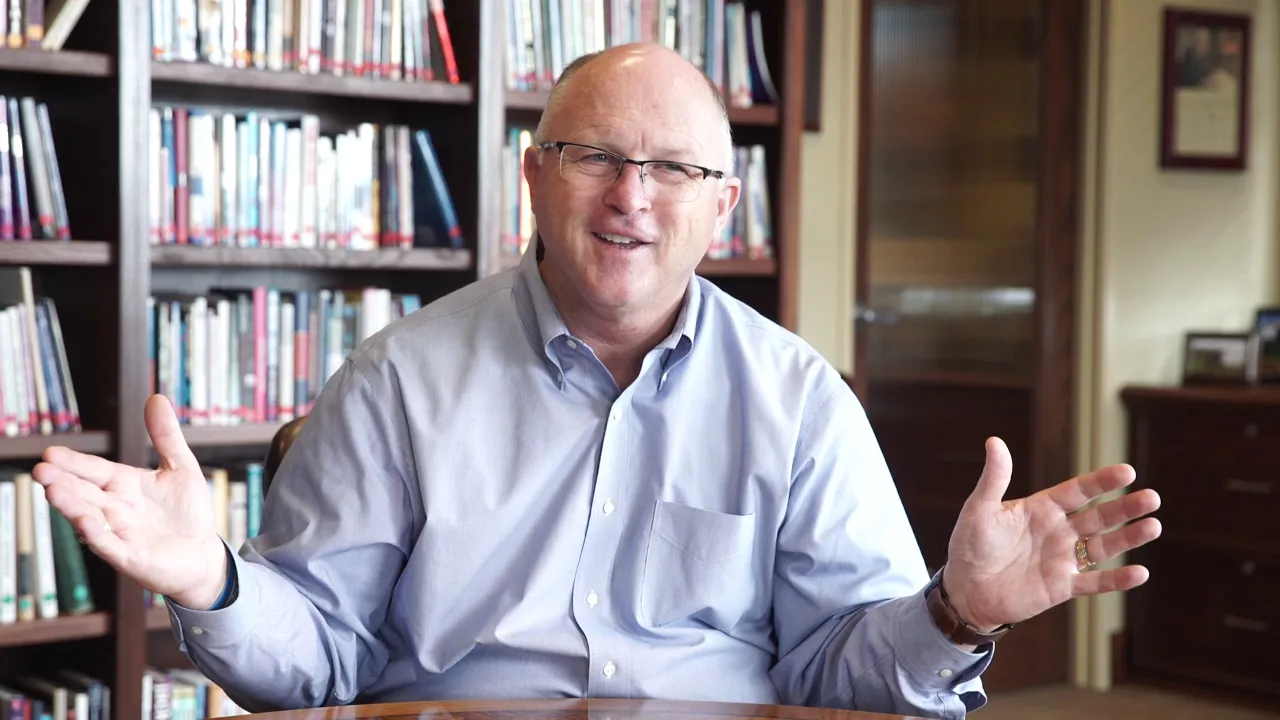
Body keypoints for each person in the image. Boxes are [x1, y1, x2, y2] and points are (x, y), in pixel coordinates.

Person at [32, 43, 1161, 719]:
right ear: (534, 175)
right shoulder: (397, 379)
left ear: (722, 206)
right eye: (595, 157)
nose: (632, 197)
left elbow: (840, 681)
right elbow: (319, 658)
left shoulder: (799, 399)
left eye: (673, 168)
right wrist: (211, 577)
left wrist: (958, 611)